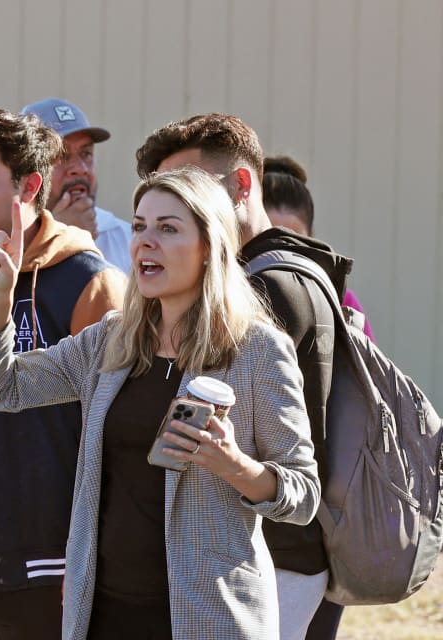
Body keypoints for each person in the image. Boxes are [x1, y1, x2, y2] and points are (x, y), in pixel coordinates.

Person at [0, 166, 320, 639]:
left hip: (207, 619)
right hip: (104, 614)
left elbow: (303, 495)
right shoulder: (111, 341)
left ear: (209, 247)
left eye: (167, 229)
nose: (145, 242)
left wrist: (234, 465)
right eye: (139, 226)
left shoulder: (257, 351)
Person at [135, 114, 353, 640]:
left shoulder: (263, 292)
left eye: (191, 185)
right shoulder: (296, 273)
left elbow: (290, 469)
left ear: (240, 185)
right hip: (279, 555)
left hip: (265, 560)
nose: (179, 202)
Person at [0, 108, 124, 640]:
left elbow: (115, 429)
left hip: (46, 562)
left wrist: (96, 556)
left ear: (30, 185)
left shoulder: (86, 280)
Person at [262, 154, 373, 341]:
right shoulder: (230, 299)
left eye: (292, 242)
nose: (281, 253)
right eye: (270, 240)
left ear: (310, 238)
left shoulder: (341, 302)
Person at [20, 98, 131, 272]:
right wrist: (58, 239)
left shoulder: (127, 238)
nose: (80, 169)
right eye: (62, 156)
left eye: (86, 153)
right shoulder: (1, 240)